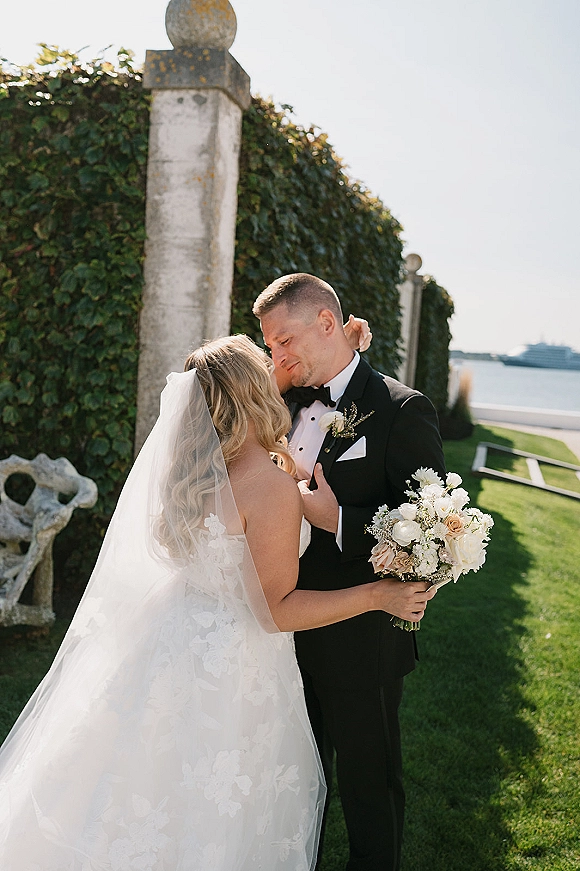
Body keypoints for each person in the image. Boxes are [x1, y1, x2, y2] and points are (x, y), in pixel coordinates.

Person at [0, 335, 435, 870]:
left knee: (130, 784)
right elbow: (275, 610)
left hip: (166, 637)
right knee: (218, 805)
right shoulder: (268, 485)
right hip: (233, 661)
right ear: (253, 392)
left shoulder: (186, 474)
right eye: (266, 369)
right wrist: (376, 594)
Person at [254, 273, 446, 871]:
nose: (277, 355)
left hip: (362, 638)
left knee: (369, 789)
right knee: (288, 784)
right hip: (275, 631)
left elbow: (432, 532)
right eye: (269, 345)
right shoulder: (279, 398)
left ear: (327, 322)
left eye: (285, 339)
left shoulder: (401, 409)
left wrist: (338, 516)